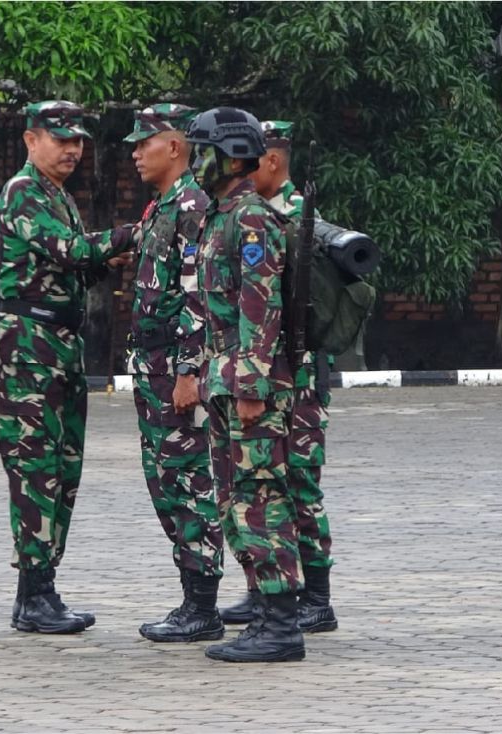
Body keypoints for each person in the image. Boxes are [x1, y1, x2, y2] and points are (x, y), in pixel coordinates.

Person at [0, 100, 137, 634]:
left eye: (78, 140)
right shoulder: (23, 191)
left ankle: (42, 588)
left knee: (63, 466)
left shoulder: (59, 196)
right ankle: (33, 594)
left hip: (62, 343)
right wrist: (130, 235)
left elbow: (79, 261)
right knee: (34, 465)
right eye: (61, 139)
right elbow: (70, 251)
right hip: (29, 344)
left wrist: (108, 257)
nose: (73, 149)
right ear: (32, 141)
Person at [184, 107, 305, 662]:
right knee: (236, 499)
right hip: (226, 383)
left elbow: (261, 308)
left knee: (261, 498)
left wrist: (252, 385)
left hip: (248, 387)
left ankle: (282, 625)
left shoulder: (251, 218)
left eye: (199, 151)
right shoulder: (220, 214)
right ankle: (263, 611)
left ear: (229, 156)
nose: (192, 161)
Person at [223, 120, 338, 633]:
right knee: (259, 485)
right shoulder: (252, 214)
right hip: (270, 372)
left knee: (297, 482)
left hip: (301, 377)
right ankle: (263, 587)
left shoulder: (301, 220)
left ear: (272, 160)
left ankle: (316, 595)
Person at [122, 104, 226, 643]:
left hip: (175, 369)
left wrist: (189, 371)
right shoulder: (160, 207)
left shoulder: (192, 207)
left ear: (176, 147)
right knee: (164, 479)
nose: (137, 153)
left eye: (145, 143)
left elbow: (198, 296)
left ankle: (202, 605)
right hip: (152, 366)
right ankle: (192, 598)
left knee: (187, 480)